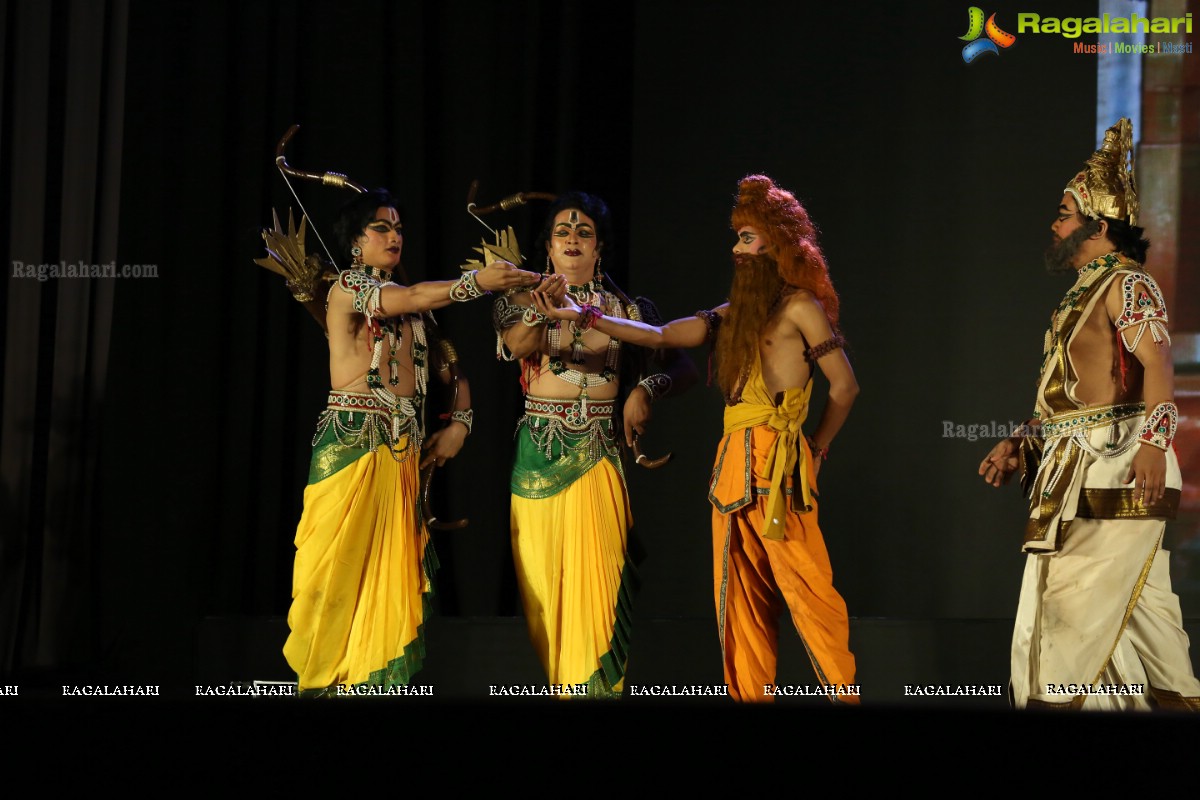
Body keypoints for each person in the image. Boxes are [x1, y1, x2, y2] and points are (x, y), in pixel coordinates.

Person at [533, 175, 860, 703]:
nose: (736, 248)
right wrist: (583, 315)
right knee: (740, 604)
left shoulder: (802, 307)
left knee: (809, 592)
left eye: (747, 238)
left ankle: (847, 698)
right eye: (737, 238)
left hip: (780, 468)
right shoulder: (732, 315)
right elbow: (661, 336)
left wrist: (816, 449)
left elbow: (844, 387)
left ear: (778, 242)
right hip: (732, 468)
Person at [269, 188, 540, 695]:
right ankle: (322, 683)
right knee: (335, 575)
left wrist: (460, 420)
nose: (395, 236)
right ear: (355, 242)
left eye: (398, 228)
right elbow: (414, 296)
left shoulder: (417, 312)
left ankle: (372, 686)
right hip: (351, 444)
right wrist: (477, 282)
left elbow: (451, 368)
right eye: (381, 228)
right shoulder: (347, 289)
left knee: (387, 581)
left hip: (402, 454)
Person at [978, 118, 1199, 710]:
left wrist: (1154, 445)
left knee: (1067, 616)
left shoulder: (1128, 283)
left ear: (1099, 226)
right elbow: (1065, 398)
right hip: (1074, 467)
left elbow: (1158, 366)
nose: (1055, 222)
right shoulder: (1080, 293)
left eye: (1065, 213)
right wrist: (1022, 440)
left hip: (1120, 466)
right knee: (1149, 632)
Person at [491, 191, 696, 697]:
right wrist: (543, 310)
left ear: (600, 247)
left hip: (599, 461)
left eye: (584, 233)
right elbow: (514, 348)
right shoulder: (517, 300)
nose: (573, 240)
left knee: (599, 597)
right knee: (547, 601)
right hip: (538, 458)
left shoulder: (627, 308)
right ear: (547, 248)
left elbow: (683, 362)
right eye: (563, 232)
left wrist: (646, 388)